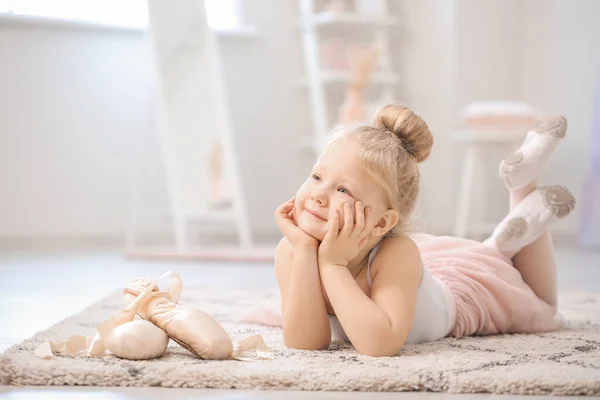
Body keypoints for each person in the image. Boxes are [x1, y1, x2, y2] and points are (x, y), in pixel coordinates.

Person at [273, 104, 575, 357]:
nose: (317, 194)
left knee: (542, 307)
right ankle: (507, 231)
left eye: (343, 189)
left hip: (466, 299)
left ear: (381, 223)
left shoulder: (396, 252)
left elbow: (380, 344)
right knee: (494, 256)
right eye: (316, 176)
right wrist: (304, 252)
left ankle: (522, 186)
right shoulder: (292, 250)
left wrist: (332, 264)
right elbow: (305, 344)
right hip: (434, 277)